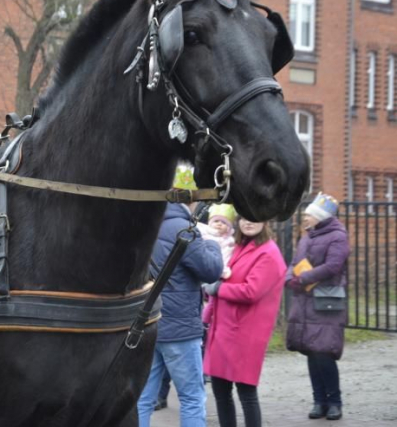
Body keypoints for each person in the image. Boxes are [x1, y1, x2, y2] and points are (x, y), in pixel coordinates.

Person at [137, 165, 223, 427]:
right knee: (192, 397)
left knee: (143, 398)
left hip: (149, 325)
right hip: (181, 329)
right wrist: (213, 244)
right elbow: (211, 271)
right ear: (191, 201)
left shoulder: (146, 227)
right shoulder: (185, 229)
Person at [202, 217, 286, 427]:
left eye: (255, 218)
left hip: (245, 333)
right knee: (221, 393)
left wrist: (218, 289)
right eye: (245, 218)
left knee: (246, 393)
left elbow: (251, 291)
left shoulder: (269, 253)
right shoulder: (238, 246)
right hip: (223, 330)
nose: (249, 222)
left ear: (266, 221)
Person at [285, 193, 349, 421]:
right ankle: (319, 400)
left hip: (326, 303)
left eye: (308, 215)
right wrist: (289, 277)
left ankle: (334, 401)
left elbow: (333, 266)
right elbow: (294, 263)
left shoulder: (337, 236)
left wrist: (302, 279)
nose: (305, 218)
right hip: (305, 301)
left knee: (324, 353)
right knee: (312, 353)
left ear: (320, 216)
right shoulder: (307, 237)